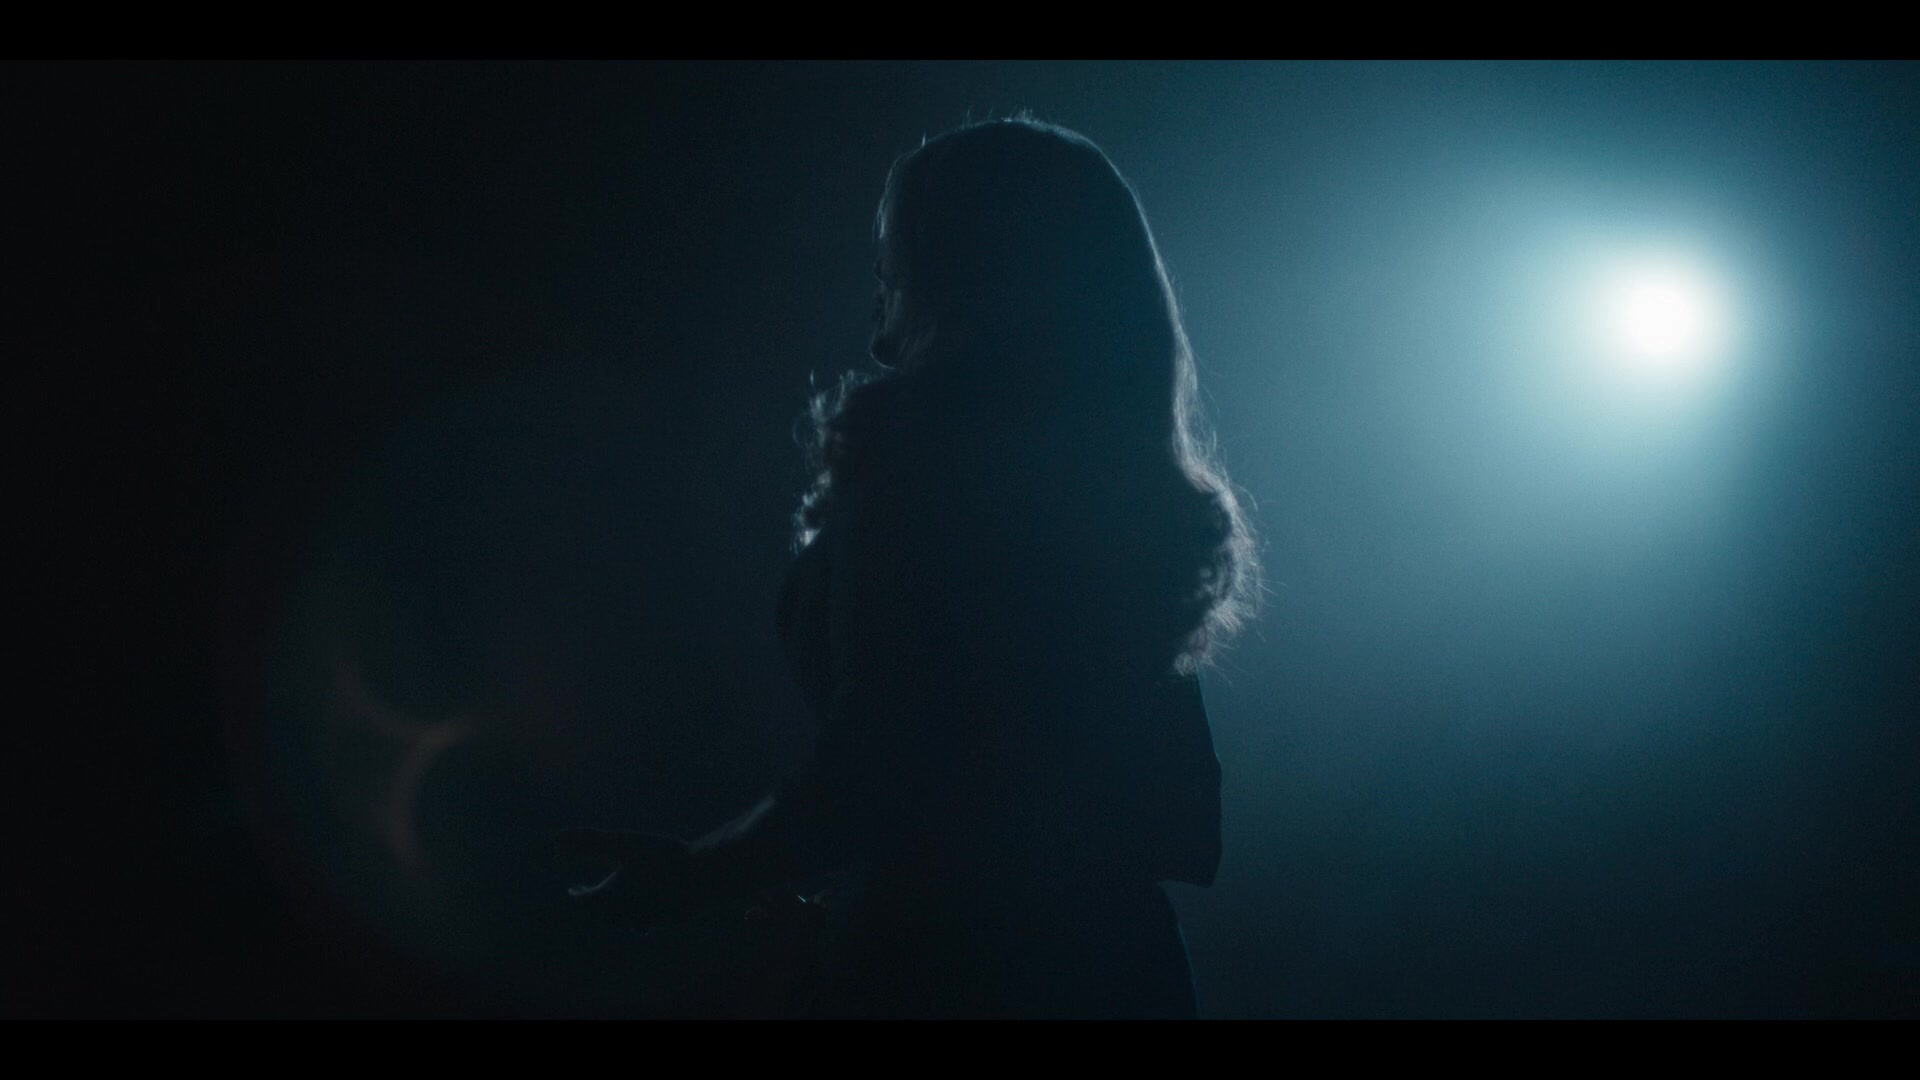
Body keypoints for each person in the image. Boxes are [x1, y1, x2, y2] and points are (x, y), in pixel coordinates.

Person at [559, 116, 1261, 1018]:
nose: (880, 330)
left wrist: (696, 880)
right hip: (1116, 969)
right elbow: (1168, 811)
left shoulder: (929, 470)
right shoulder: (1114, 496)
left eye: (893, 276)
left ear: (958, 281)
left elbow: (878, 761)